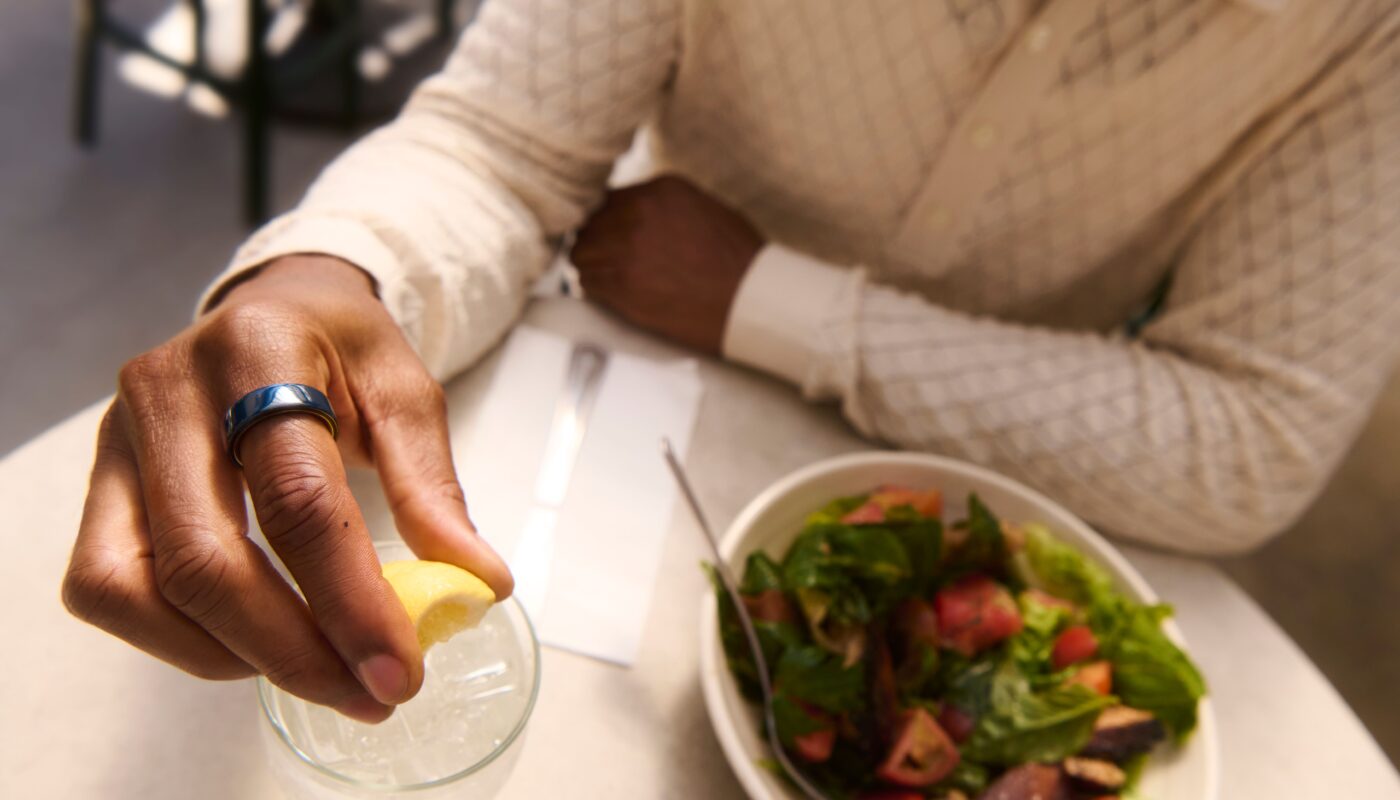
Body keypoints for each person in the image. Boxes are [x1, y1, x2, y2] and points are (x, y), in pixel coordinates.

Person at [62, 0, 1400, 721]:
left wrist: (768, 301)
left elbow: (1252, 433)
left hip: (989, 490)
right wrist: (327, 270)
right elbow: (506, 144)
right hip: (622, 414)